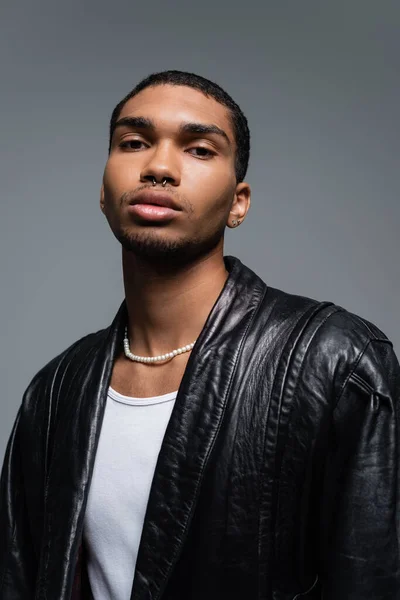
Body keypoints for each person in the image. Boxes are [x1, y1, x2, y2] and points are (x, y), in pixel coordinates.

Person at [0, 70, 399, 600]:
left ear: (239, 201)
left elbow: (373, 577)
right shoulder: (56, 391)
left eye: (199, 150)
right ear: (103, 190)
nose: (159, 167)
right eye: (134, 143)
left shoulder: (338, 362)